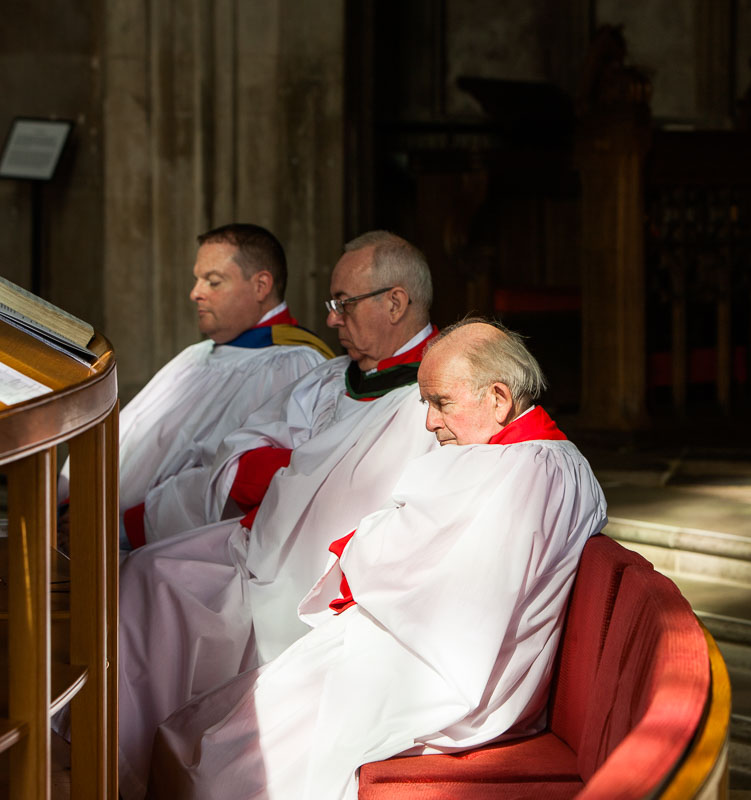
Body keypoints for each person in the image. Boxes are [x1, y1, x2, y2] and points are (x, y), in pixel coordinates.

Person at [142, 319, 608, 800]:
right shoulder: (528, 460)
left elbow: (444, 579)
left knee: (234, 754)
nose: (429, 422)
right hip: (424, 645)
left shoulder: (525, 470)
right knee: (219, 725)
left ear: (498, 398)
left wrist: (359, 550)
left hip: (447, 671)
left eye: (441, 403)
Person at [118, 232, 443, 797]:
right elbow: (243, 448)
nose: (333, 320)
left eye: (345, 303)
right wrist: (295, 474)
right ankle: (126, 759)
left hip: (321, 577)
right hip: (263, 542)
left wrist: (295, 473)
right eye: (332, 303)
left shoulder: (432, 396)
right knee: (147, 572)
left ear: (395, 303)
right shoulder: (332, 377)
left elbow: (367, 499)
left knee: (188, 593)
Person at [58, 223, 332, 548]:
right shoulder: (198, 355)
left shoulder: (292, 365)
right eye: (197, 279)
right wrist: (78, 502)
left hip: (173, 551)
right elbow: (133, 435)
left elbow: (224, 480)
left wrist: (119, 527)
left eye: (213, 281)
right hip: (96, 530)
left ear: (261, 286)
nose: (195, 293)